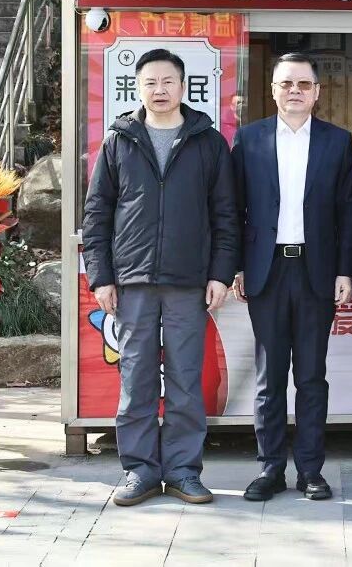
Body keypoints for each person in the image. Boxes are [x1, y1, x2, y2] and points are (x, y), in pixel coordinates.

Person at [82, 48, 238, 507]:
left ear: (183, 86)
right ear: (137, 88)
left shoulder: (208, 142)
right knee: (137, 379)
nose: (160, 90)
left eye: (168, 81)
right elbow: (97, 214)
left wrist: (220, 274)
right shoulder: (119, 142)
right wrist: (101, 276)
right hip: (132, 280)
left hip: (190, 282)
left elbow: (226, 216)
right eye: (150, 82)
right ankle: (140, 471)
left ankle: (185, 471)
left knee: (187, 380)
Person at [231, 53, 352, 502]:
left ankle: (310, 470)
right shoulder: (249, 139)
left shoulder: (337, 142)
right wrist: (236, 266)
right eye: (286, 84)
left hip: (315, 270)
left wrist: (345, 270)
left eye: (304, 84)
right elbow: (234, 209)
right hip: (266, 270)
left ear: (317, 92)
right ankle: (270, 469)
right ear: (273, 90)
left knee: (311, 376)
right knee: (269, 379)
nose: (295, 91)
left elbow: (348, 212)